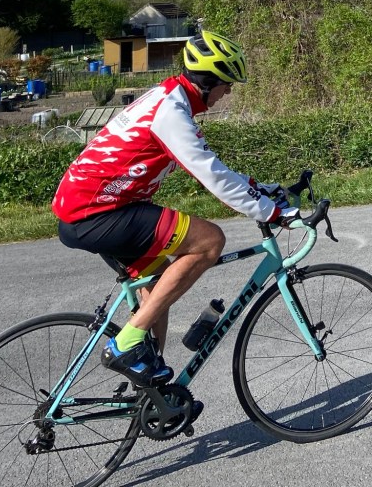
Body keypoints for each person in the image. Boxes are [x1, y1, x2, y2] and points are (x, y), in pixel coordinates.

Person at [52, 30, 295, 388]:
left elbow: (213, 167)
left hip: (88, 208)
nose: (228, 92)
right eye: (226, 84)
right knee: (210, 241)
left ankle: (149, 391)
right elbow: (212, 176)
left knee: (156, 287)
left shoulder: (169, 99)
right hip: (97, 212)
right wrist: (271, 213)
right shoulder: (171, 112)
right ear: (208, 82)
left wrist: (265, 191)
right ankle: (125, 346)